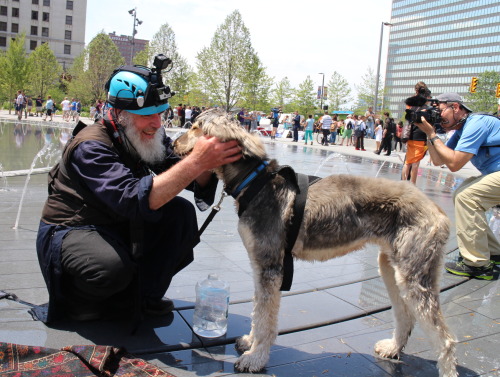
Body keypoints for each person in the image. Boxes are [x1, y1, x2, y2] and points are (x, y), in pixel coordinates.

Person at [35, 59, 242, 322]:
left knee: (180, 214)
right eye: (148, 115)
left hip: (117, 222)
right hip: (74, 229)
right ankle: (81, 302)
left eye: (160, 113)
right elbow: (133, 199)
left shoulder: (139, 133)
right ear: (121, 114)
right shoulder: (90, 146)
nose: (157, 123)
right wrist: (197, 161)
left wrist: (213, 157)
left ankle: (143, 297)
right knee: (110, 268)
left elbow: (184, 174)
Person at [414, 92, 500, 280]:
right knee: (460, 192)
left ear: (456, 107)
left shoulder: (476, 123)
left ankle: (477, 264)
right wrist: (429, 134)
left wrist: (432, 133)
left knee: (468, 197)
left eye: (440, 110)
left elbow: (454, 163)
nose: (438, 116)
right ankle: (494, 253)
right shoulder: (462, 129)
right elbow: (438, 160)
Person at [401, 82, 431, 183]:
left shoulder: (411, 104)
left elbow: (408, 116)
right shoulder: (426, 105)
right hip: (420, 134)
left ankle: (404, 182)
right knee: (416, 163)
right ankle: (413, 185)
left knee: (408, 161)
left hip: (410, 134)